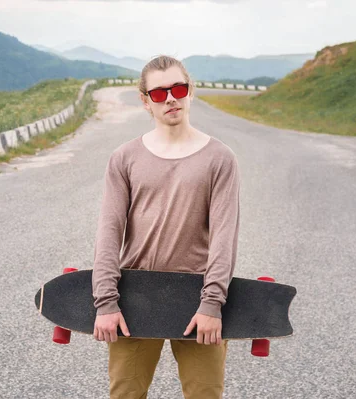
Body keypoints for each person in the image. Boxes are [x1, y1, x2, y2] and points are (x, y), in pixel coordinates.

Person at [91, 55, 241, 399]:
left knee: (205, 395)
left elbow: (224, 236)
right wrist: (106, 302)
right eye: (159, 93)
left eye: (178, 88)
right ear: (145, 101)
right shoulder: (124, 158)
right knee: (125, 395)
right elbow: (109, 232)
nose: (170, 98)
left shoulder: (220, 158)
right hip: (134, 297)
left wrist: (212, 304)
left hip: (197, 298)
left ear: (190, 91)